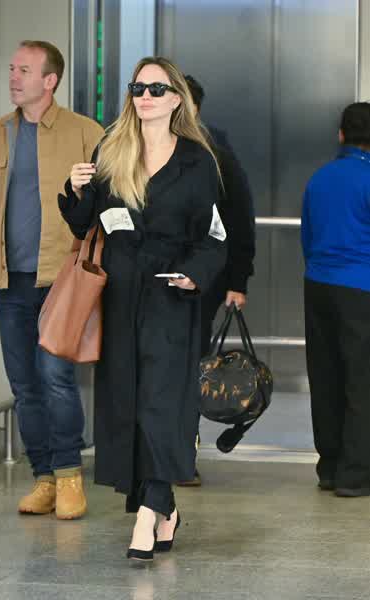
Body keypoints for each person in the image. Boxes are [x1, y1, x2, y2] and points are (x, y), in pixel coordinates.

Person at [58, 56, 227, 561]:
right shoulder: (111, 150)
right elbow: (85, 223)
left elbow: (215, 234)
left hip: (171, 296)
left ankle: (147, 517)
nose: (145, 97)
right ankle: (163, 505)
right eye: (138, 88)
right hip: (119, 295)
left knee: (161, 404)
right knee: (129, 404)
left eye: (156, 89)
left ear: (176, 99)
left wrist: (194, 273)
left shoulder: (198, 161)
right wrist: (78, 189)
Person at [0, 40, 104, 519]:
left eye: (24, 70)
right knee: (24, 386)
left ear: (50, 80)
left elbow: (110, 200)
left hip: (63, 279)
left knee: (56, 377)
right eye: (12, 69)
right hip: (10, 281)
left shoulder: (86, 132)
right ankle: (44, 478)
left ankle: (69, 475)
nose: (13, 77)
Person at [177, 75, 255, 486]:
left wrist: (238, 280)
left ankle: (181, 453)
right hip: (148, 279)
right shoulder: (139, 151)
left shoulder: (217, 155)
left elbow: (240, 218)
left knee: (190, 364)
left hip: (202, 282)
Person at [301, 102, 370, 498]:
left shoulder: (320, 177)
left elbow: (308, 236)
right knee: (361, 381)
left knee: (325, 376)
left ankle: (329, 467)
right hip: (361, 288)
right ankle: (355, 475)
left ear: (341, 135)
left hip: (318, 285)